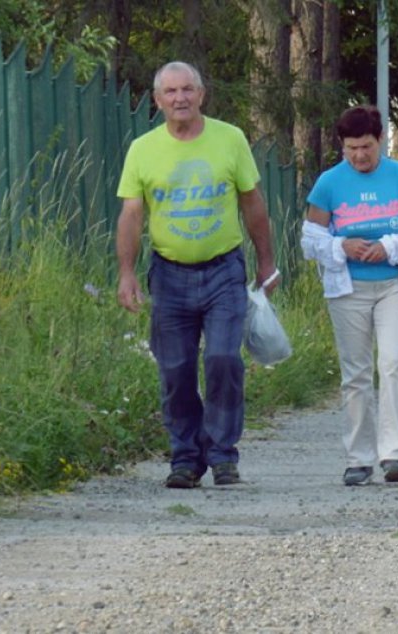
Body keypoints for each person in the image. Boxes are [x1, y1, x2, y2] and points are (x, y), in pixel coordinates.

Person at [116, 61, 279, 489]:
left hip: (224, 270)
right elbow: (132, 215)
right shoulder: (142, 149)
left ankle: (223, 455)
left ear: (202, 95)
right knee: (176, 369)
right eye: (170, 92)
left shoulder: (230, 139)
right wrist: (126, 273)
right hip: (168, 275)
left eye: (187, 89)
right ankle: (185, 458)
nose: (180, 99)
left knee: (224, 359)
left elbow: (253, 203)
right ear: (157, 101)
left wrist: (266, 262)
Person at [300, 105, 398, 486]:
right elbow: (310, 240)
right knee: (356, 372)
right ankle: (358, 456)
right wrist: (341, 246)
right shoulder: (328, 184)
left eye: (366, 147)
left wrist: (391, 246)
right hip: (349, 288)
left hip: (394, 284)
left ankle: (393, 454)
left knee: (394, 363)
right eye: (351, 149)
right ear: (341, 147)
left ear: (380, 140)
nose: (360, 156)